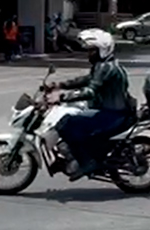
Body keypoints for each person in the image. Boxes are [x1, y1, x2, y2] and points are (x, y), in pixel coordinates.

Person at [45, 29, 138, 180]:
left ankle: (86, 162)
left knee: (68, 124)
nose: (89, 54)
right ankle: (70, 158)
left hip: (112, 114)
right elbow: (87, 79)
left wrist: (62, 97)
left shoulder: (106, 67)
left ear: (102, 49)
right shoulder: (105, 65)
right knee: (71, 119)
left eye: (92, 51)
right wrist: (60, 84)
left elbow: (90, 91)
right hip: (113, 111)